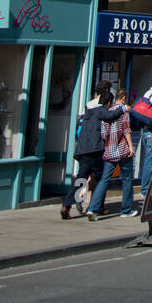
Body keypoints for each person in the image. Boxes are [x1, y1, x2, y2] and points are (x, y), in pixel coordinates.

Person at [60, 82, 124, 220]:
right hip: (95, 149)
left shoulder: (88, 107)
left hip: (83, 148)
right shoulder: (100, 108)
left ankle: (67, 204)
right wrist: (123, 108)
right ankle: (96, 207)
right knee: (102, 179)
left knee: (81, 178)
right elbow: (110, 116)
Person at [87, 88, 138, 219]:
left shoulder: (106, 112)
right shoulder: (123, 111)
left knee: (104, 179)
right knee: (127, 180)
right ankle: (125, 210)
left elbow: (103, 134)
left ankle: (92, 208)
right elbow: (126, 130)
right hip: (123, 151)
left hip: (109, 151)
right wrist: (131, 147)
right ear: (124, 98)